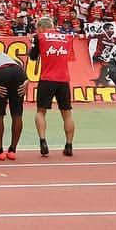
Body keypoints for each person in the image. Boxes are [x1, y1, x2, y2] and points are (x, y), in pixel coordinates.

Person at [29, 16, 76, 157]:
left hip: (47, 78)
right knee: (67, 113)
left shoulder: (40, 37)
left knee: (41, 111)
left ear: (41, 28)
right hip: (63, 79)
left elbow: (32, 57)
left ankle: (43, 141)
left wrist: (34, 45)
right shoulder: (67, 37)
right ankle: (69, 145)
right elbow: (69, 57)